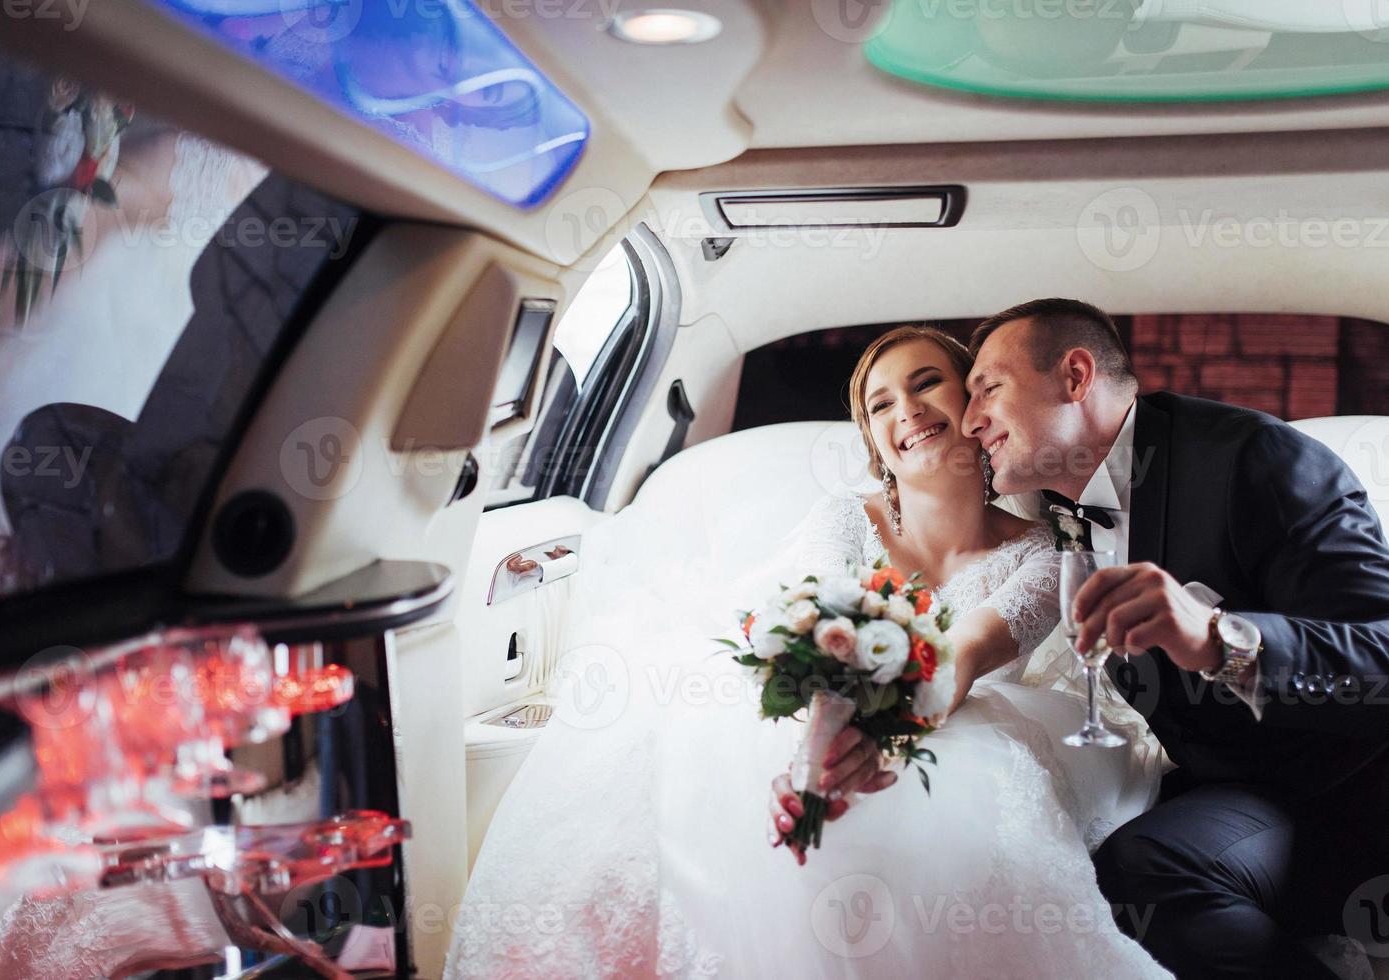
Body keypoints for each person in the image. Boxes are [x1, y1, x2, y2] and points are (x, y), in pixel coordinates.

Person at [446, 325, 1168, 978]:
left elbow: (964, 656)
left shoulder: (1043, 555)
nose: (905, 413)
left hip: (956, 719)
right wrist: (818, 747)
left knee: (951, 786)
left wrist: (879, 741)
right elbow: (812, 632)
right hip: (801, 712)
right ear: (872, 439)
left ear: (976, 406)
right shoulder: (843, 519)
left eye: (925, 385)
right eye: (880, 405)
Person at [962, 297, 1389, 980]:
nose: (968, 420)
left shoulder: (1254, 459)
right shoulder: (1054, 518)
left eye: (989, 388)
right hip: (1234, 787)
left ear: (1075, 377)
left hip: (1354, 793)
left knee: (1147, 872)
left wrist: (1222, 640)